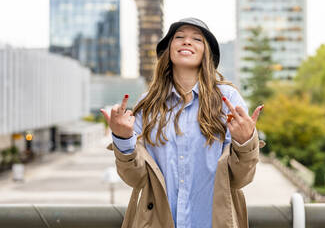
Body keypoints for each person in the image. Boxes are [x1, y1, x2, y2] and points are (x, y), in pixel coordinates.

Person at [101, 18, 265, 228]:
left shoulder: (228, 100)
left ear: (207, 52)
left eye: (197, 39)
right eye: (179, 37)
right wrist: (122, 138)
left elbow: (241, 179)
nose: (186, 42)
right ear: (168, 50)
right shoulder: (147, 103)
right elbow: (136, 179)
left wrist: (244, 142)